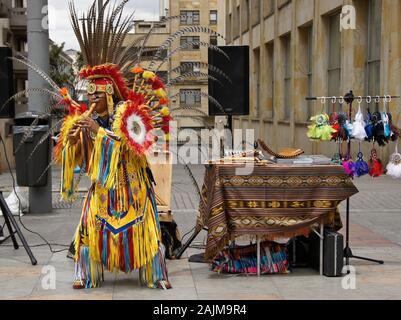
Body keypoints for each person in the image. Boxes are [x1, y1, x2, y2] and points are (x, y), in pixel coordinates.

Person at [53, 1, 173, 290]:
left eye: (98, 94)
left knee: (143, 225)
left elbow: (134, 147)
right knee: (89, 222)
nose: (93, 100)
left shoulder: (130, 113)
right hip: (103, 187)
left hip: (131, 186)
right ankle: (86, 272)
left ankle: (155, 273)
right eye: (90, 94)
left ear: (110, 94)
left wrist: (100, 132)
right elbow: (81, 158)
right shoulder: (87, 117)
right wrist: (73, 140)